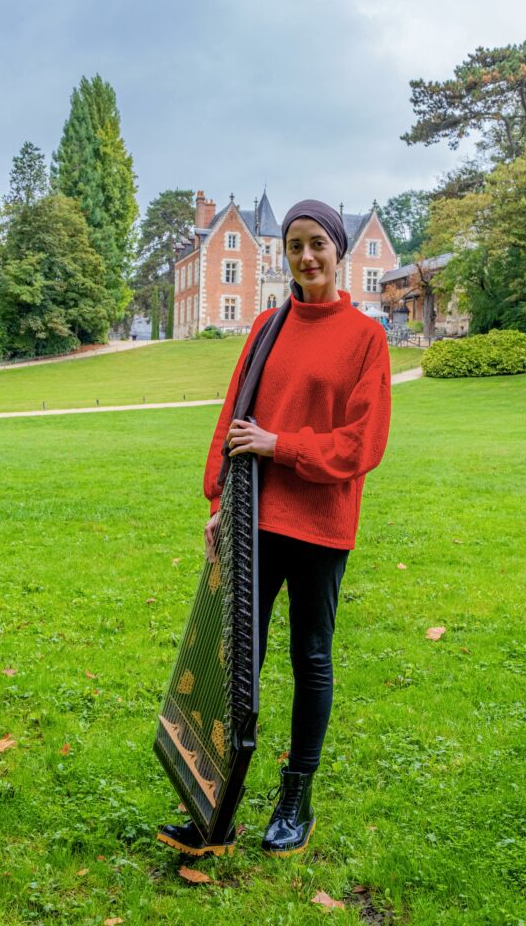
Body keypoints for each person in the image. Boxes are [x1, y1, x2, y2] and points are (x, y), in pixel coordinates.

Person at [158, 199, 391, 858]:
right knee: (240, 662)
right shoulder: (265, 326)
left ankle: (296, 797)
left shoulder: (365, 337)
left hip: (320, 524)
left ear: (337, 249)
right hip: (255, 520)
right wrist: (216, 501)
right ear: (282, 254)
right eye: (294, 246)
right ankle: (217, 804)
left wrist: (278, 445)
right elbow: (233, 420)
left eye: (316, 243)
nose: (306, 256)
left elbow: (361, 445)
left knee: (310, 658)